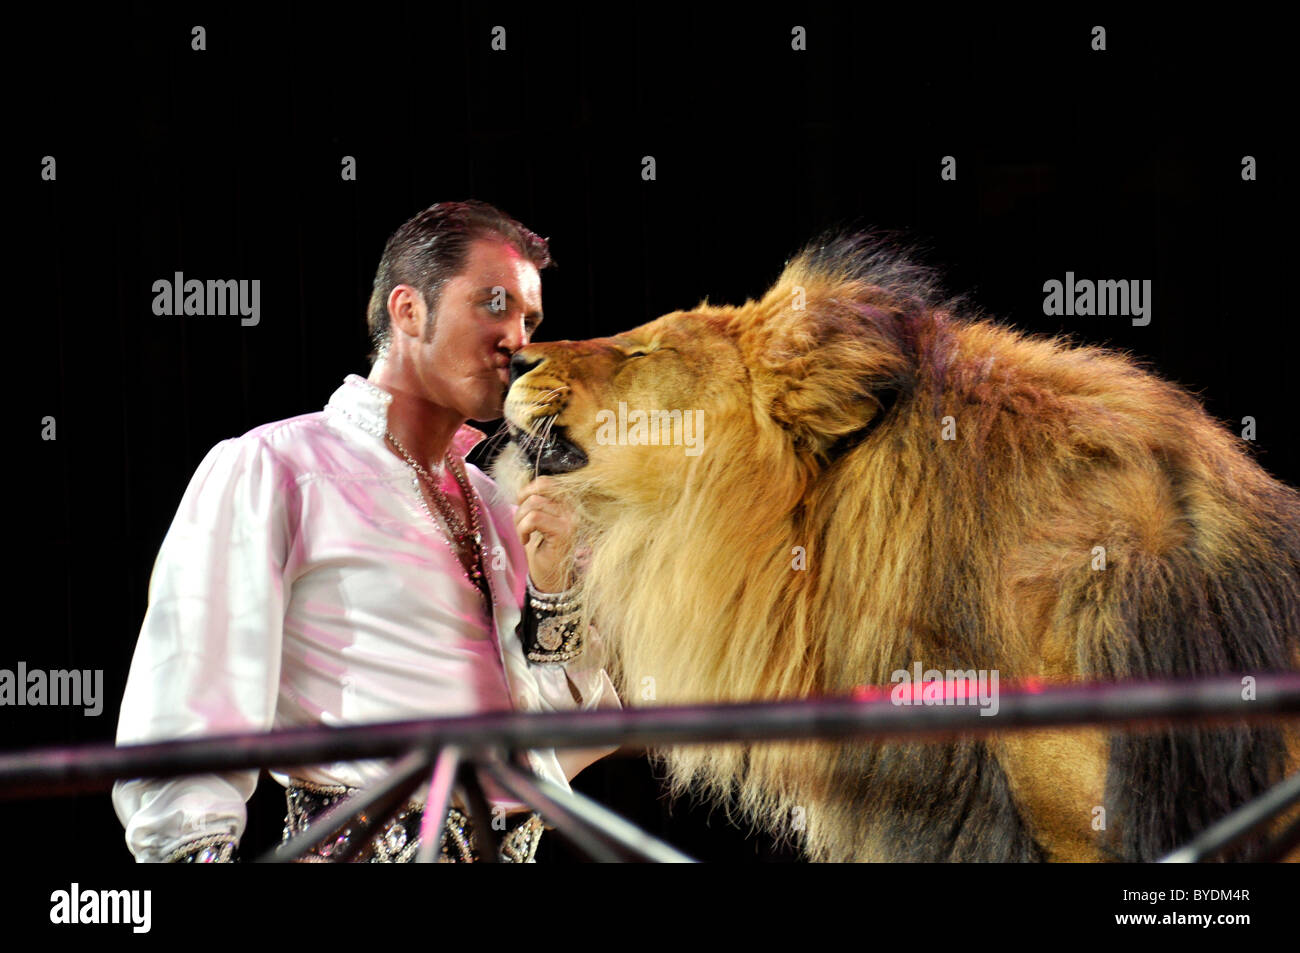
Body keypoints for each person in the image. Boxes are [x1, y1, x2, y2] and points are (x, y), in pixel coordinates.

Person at [112, 200, 621, 863]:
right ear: (408, 310)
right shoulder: (277, 468)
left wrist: (557, 597)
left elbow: (561, 748)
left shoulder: (498, 503)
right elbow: (185, 713)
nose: (517, 340)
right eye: (493, 305)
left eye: (530, 318)